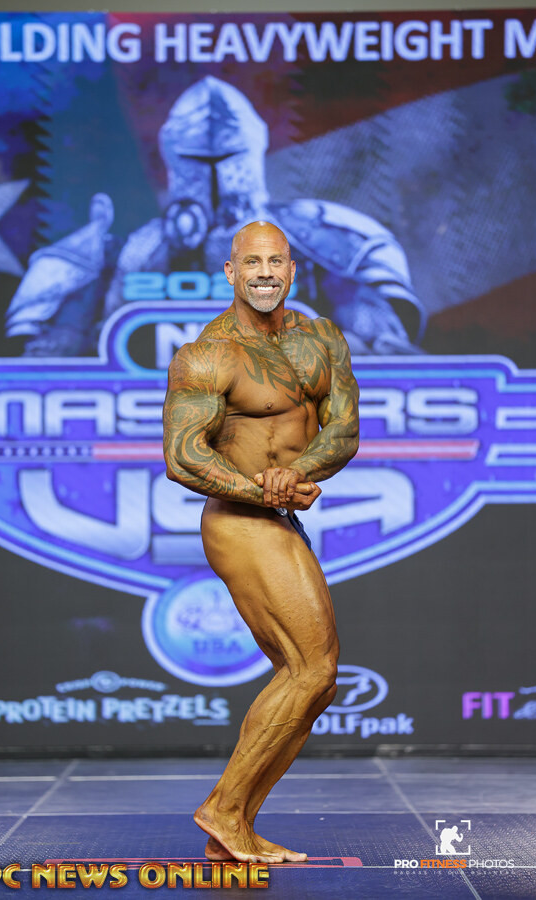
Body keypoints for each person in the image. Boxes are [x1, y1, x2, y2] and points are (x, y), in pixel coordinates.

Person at [163, 220, 359, 864]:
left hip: (280, 512)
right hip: (239, 520)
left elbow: (343, 430)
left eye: (276, 262)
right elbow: (183, 456)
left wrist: (294, 475)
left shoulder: (321, 338)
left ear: (293, 269)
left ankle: (236, 826)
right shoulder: (208, 354)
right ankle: (224, 808)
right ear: (231, 271)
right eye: (252, 262)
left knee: (313, 682)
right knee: (313, 668)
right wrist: (262, 490)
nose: (265, 273)